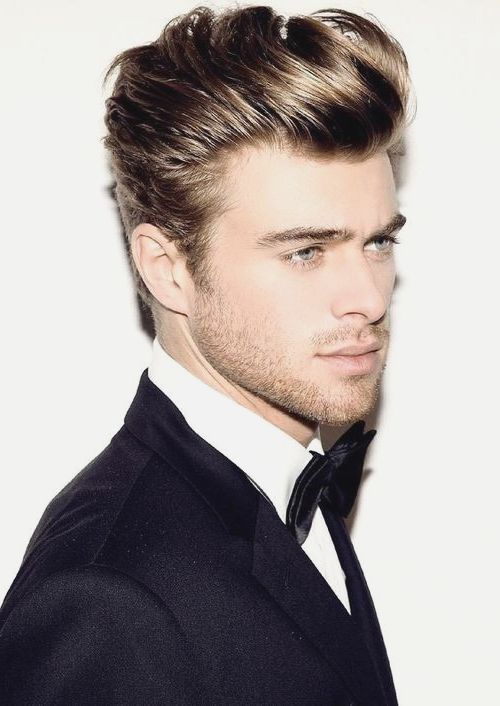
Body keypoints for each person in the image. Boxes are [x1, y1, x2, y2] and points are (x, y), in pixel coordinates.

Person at [0, 4, 413, 704]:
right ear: (168, 269)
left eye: (377, 242)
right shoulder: (107, 601)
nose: (369, 299)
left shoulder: (285, 487)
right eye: (306, 251)